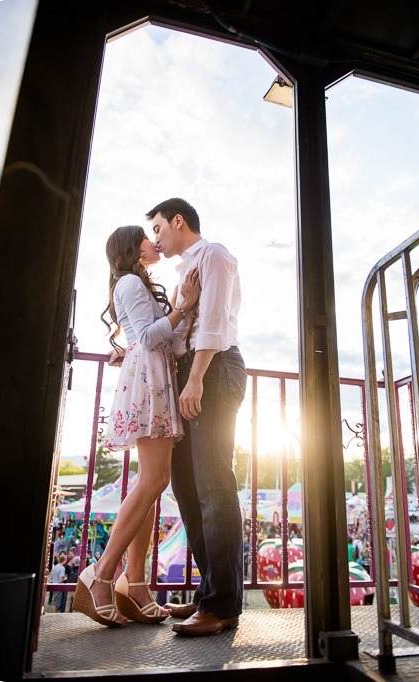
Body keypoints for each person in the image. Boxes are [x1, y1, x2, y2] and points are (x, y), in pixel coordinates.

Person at [73, 224, 200, 627]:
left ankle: (136, 582)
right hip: (148, 379)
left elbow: (150, 335)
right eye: (148, 236)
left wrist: (180, 305)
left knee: (152, 481)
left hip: (152, 374)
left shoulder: (134, 283)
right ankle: (103, 573)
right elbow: (148, 335)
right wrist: (183, 307)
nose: (154, 241)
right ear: (133, 247)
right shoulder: (129, 281)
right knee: (153, 479)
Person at [146, 198, 247, 637]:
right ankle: (211, 590)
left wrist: (196, 379)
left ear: (178, 221)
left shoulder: (215, 255)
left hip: (215, 368)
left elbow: (214, 323)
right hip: (194, 371)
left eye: (158, 229)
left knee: (212, 482)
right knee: (186, 487)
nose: (156, 238)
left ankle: (222, 605)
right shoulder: (185, 271)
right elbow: (185, 326)